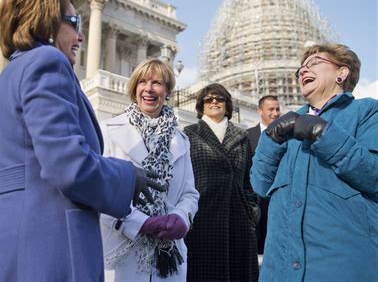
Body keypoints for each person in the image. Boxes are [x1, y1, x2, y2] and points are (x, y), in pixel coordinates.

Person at [0, 0, 164, 281]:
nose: (81, 35)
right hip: (47, 246)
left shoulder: (11, 72)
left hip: (11, 240)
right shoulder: (48, 62)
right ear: (46, 20)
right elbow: (69, 166)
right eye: (74, 22)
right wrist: (127, 176)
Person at [250, 43, 378, 281]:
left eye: (315, 63)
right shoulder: (289, 124)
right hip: (281, 268)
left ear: (342, 73)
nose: (303, 71)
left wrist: (323, 133)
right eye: (301, 68)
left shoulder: (367, 112)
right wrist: (271, 138)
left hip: (342, 267)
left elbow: (374, 175)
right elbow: (260, 184)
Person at [100, 58, 199, 281]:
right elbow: (99, 190)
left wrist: (181, 217)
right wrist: (138, 222)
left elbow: (190, 194)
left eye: (157, 83)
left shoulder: (181, 139)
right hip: (121, 254)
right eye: (142, 82)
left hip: (167, 257)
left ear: (168, 91)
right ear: (134, 88)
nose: (149, 89)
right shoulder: (108, 130)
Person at [184, 83, 260, 281]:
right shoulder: (188, 134)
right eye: (209, 99)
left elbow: (249, 180)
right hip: (202, 221)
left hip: (239, 221)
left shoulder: (242, 137)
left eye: (220, 98)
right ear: (201, 107)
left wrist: (251, 211)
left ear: (227, 105)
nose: (214, 102)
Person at [247, 95, 280, 255]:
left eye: (277, 109)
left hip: (277, 200)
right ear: (260, 111)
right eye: (271, 109)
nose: (275, 113)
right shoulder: (247, 136)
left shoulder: (289, 135)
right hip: (255, 202)